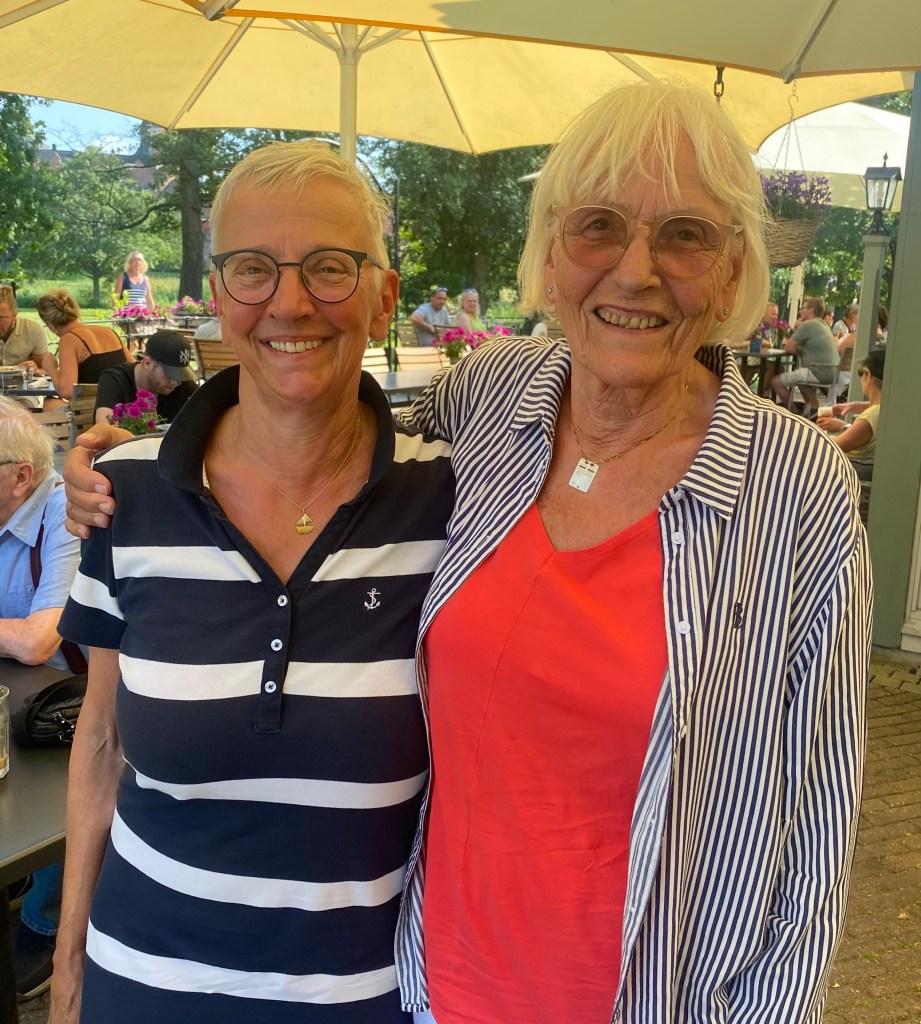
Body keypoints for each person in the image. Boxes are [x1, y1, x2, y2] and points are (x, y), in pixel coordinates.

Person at [64, 81, 872, 1024]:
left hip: (649, 995)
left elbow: (816, 828)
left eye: (685, 236)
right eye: (598, 226)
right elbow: (320, 432)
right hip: (429, 989)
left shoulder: (792, 490)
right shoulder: (492, 404)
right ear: (552, 253)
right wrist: (121, 468)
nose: (635, 270)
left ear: (732, 271)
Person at [52, 140, 453, 1024]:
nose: (290, 302)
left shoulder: (454, 501)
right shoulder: (127, 495)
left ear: (386, 295)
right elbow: (102, 744)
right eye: (252, 269)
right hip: (142, 989)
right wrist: (69, 974)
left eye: (330, 267)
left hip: (369, 998)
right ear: (218, 298)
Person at [0, 397, 86, 1002]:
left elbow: (38, 642)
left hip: (70, 705)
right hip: (14, 694)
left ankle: (47, 919)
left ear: (19, 476)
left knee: (56, 800)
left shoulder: (65, 514)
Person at [818, 347, 885, 523]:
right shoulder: (886, 410)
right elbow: (876, 407)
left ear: (868, 374)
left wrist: (840, 427)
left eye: (861, 374)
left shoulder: (867, 420)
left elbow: (831, 448)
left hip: (843, 482)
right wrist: (855, 406)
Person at [35, 289, 132, 400]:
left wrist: (52, 370)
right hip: (123, 404)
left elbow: (67, 392)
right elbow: (133, 369)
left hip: (92, 407)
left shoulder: (69, 340)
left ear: (49, 324)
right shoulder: (109, 332)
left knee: (50, 402)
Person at [93, 330, 197, 425]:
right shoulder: (115, 379)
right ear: (147, 363)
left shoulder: (182, 383)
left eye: (180, 374)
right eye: (171, 373)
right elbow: (104, 428)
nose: (177, 382)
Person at [771, 296, 841, 412]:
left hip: (818, 371)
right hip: (833, 372)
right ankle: (813, 408)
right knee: (801, 377)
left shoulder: (808, 325)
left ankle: (793, 413)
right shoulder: (824, 325)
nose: (800, 311)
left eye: (803, 308)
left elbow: (788, 348)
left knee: (776, 382)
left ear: (811, 310)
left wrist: (796, 347)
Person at [0, 284, 57, 376]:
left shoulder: (32, 330)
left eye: (1, 317)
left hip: (23, 383)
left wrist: (34, 370)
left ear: (14, 314)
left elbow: (46, 369)